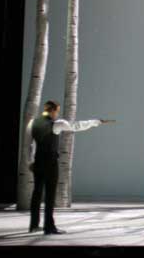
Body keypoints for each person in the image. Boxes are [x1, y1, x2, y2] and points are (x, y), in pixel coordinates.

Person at [28, 100, 114, 234]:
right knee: (50, 195)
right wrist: (96, 122)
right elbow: (76, 126)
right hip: (50, 163)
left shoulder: (34, 123)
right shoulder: (57, 124)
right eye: (57, 111)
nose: (57, 114)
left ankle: (33, 225)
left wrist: (31, 161)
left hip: (38, 162)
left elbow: (30, 144)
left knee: (37, 193)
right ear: (53, 110)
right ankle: (49, 227)